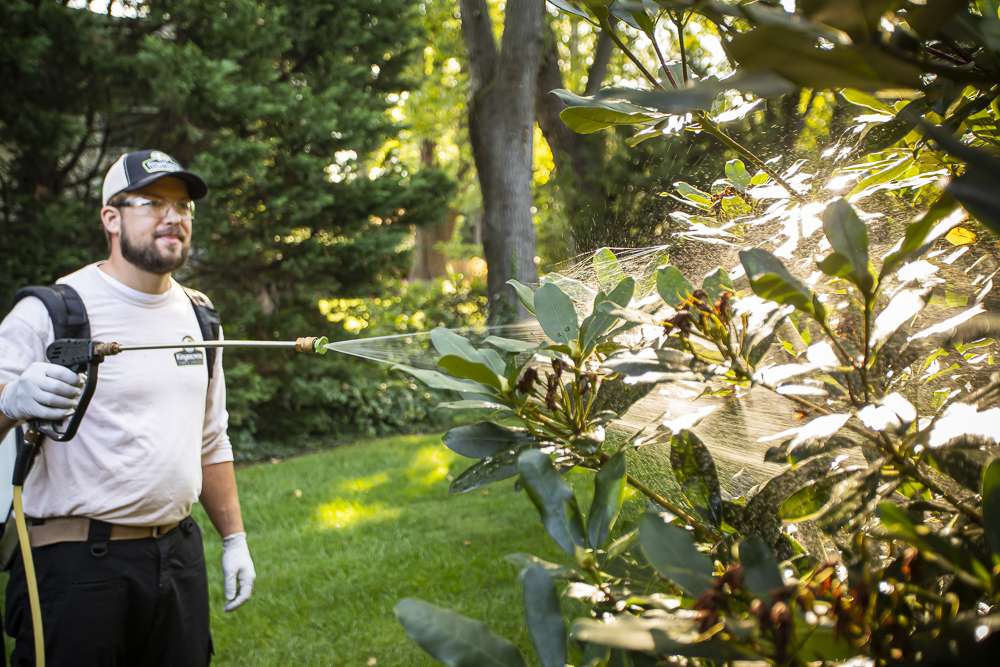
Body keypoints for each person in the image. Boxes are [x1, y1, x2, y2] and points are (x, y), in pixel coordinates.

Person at [0, 149, 255, 666]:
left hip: (177, 557)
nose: (173, 217)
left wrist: (234, 539)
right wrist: (11, 401)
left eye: (183, 206)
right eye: (153, 202)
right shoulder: (52, 311)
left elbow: (211, 439)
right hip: (76, 567)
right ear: (110, 218)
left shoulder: (200, 317)